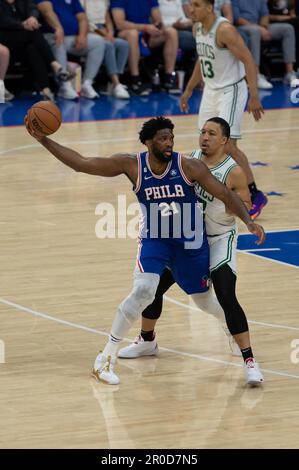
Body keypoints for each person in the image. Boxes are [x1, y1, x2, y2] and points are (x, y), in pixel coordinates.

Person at [25, 115, 265, 385]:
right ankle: (106, 358)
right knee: (144, 291)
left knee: (206, 301)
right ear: (148, 142)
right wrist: (43, 139)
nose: (169, 143)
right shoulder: (131, 164)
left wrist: (249, 221)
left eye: (172, 138)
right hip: (156, 240)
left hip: (190, 242)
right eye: (163, 138)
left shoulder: (189, 166)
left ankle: (229, 329)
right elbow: (82, 164)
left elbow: (225, 193)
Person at [118, 117, 264, 386]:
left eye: (212, 133)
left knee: (224, 292)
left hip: (219, 238)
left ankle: (249, 360)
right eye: (202, 132)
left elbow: (247, 203)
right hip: (187, 237)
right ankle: (147, 341)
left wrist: (243, 213)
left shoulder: (234, 172)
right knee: (153, 287)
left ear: (224, 141)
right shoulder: (189, 161)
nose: (204, 137)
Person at [180, 0, 268, 220]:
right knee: (205, 142)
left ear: (210, 8)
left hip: (231, 89)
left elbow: (248, 59)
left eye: (196, 5)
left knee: (227, 145)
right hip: (211, 89)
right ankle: (210, 192)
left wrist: (254, 95)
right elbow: (203, 60)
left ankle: (254, 195)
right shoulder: (197, 27)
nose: (191, 9)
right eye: (191, 4)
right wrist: (189, 89)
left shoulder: (225, 30)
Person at [0, 0, 73, 101]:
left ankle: (46, 90)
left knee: (32, 48)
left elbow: (33, 8)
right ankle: (54, 64)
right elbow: (3, 21)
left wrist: (32, 18)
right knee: (33, 32)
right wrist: (22, 24)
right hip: (5, 39)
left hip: (23, 38)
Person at [35, 0, 107, 99]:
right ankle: (64, 86)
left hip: (71, 37)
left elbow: (82, 18)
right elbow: (47, 11)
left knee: (98, 41)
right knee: (58, 41)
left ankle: (86, 83)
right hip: (50, 35)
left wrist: (82, 36)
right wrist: (58, 28)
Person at [110, 0, 180, 95]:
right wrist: (145, 27)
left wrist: (158, 27)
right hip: (126, 32)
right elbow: (120, 23)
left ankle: (169, 78)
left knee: (171, 32)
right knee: (133, 34)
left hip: (147, 32)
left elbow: (158, 18)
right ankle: (135, 79)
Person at [232, 0, 297, 88]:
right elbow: (237, 18)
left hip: (259, 26)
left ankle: (289, 73)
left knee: (288, 29)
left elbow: (265, 14)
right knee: (255, 32)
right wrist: (259, 28)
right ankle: (256, 75)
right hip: (241, 28)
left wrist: (264, 27)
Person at [80, 0, 130, 99]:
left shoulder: (104, 1)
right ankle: (116, 84)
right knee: (108, 46)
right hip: (90, 33)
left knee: (123, 45)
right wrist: (101, 35)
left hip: (104, 32)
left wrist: (110, 33)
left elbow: (108, 20)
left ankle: (113, 83)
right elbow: (82, 21)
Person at [268, 0, 299, 70]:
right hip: (273, 24)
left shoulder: (290, 2)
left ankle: (294, 68)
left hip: (290, 22)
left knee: (295, 24)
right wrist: (289, 17)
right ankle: (294, 68)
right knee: (294, 25)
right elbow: (268, 17)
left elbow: (292, 13)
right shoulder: (268, 3)